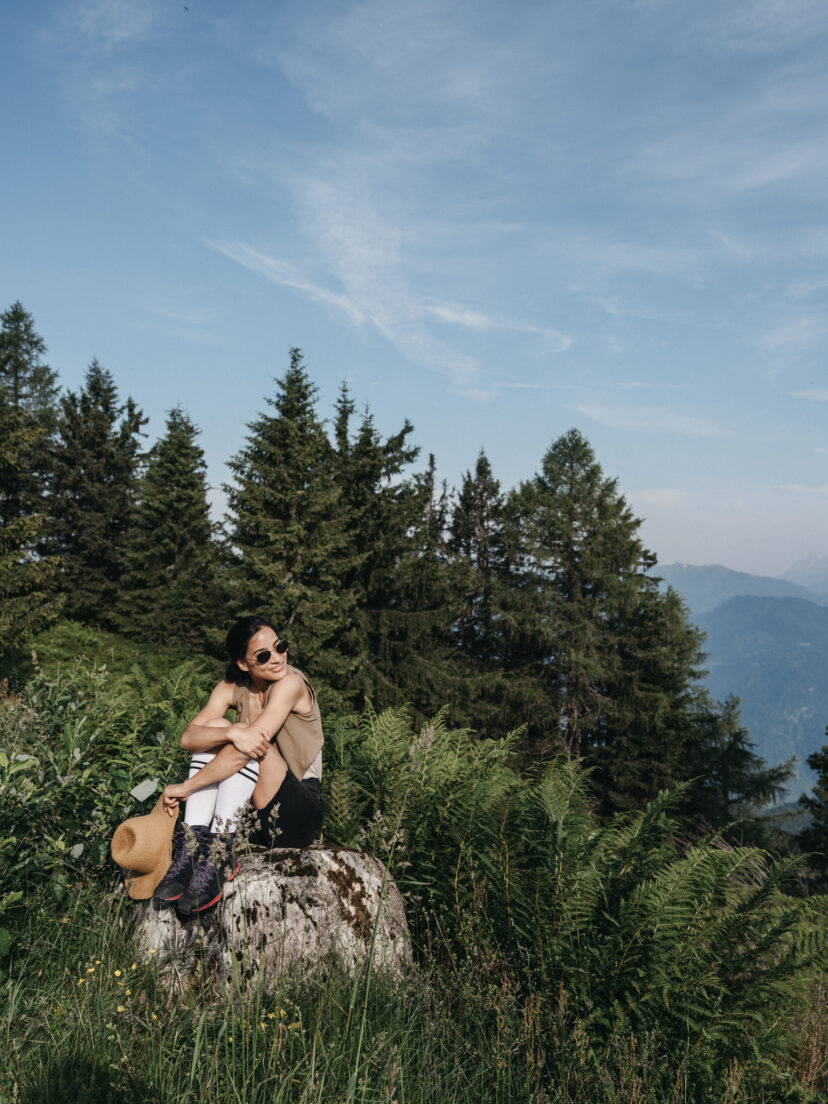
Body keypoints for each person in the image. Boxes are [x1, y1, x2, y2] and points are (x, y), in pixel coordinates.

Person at [154, 615, 324, 914]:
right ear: (243, 664)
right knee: (220, 727)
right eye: (263, 655)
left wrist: (187, 787)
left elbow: (252, 745)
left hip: (297, 814)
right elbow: (188, 738)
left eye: (280, 647)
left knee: (250, 739)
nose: (277, 658)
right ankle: (192, 845)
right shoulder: (231, 687)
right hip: (253, 814)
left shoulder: (291, 683)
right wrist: (230, 731)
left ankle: (220, 850)